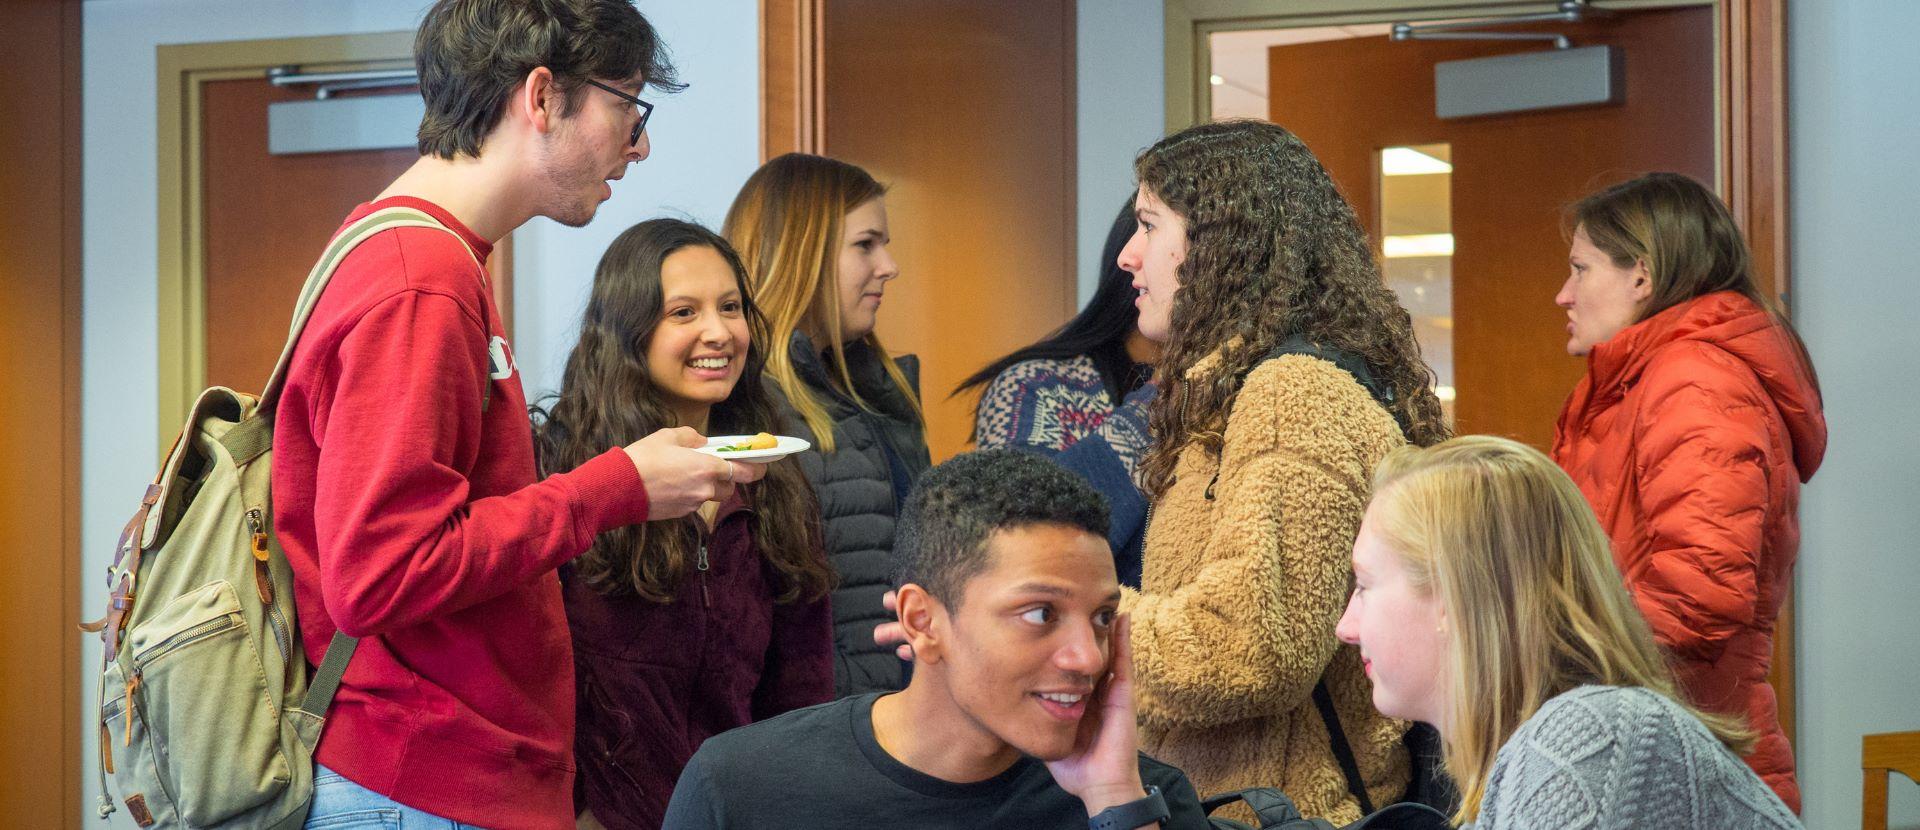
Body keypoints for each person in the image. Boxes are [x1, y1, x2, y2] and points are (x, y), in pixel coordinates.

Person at [272, 4, 762, 828]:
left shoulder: (420, 255)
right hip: (422, 780)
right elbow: (382, 574)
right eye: (627, 106)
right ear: (542, 98)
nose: (637, 144)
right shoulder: (419, 279)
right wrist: (616, 488)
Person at [1117, 119, 1450, 824]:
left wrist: (1079, 622)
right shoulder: (1247, 388)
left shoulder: (1290, 394)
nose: (1127, 254)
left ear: (1221, 243)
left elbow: (1255, 646)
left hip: (1285, 813)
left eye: (1149, 225)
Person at [662, 450, 1209, 830]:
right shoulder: (740, 789)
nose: (1088, 657)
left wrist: (1113, 802)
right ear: (923, 622)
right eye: (1041, 613)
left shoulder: (1140, 800)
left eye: (1101, 616)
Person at [532, 219, 836, 830]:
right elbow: (528, 672)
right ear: (629, 331)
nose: (718, 332)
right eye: (683, 312)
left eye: (730, 307)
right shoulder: (560, 470)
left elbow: (801, 693)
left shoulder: (772, 474)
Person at [1335, 435, 1801, 828]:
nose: (1346, 627)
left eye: (1365, 585)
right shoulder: (1547, 746)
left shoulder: (1587, 738)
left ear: (1450, 596)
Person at [1550, 172, 1825, 811]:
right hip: (1663, 742)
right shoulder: (1645, 379)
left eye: (1580, 269)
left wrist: (1548, 640)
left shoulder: (1693, 378)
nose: (1563, 294)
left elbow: (1700, 593)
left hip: (1686, 757)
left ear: (1642, 276)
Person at [723, 153, 931, 696]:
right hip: (827, 736)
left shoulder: (878, 391)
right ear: (802, 254)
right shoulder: (744, 409)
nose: (889, 265)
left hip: (898, 719)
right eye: (866, 244)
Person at [956, 196, 1161, 586]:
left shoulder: (1264, 387)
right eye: (1145, 228)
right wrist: (1168, 394)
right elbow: (1021, 553)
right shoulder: (1038, 388)